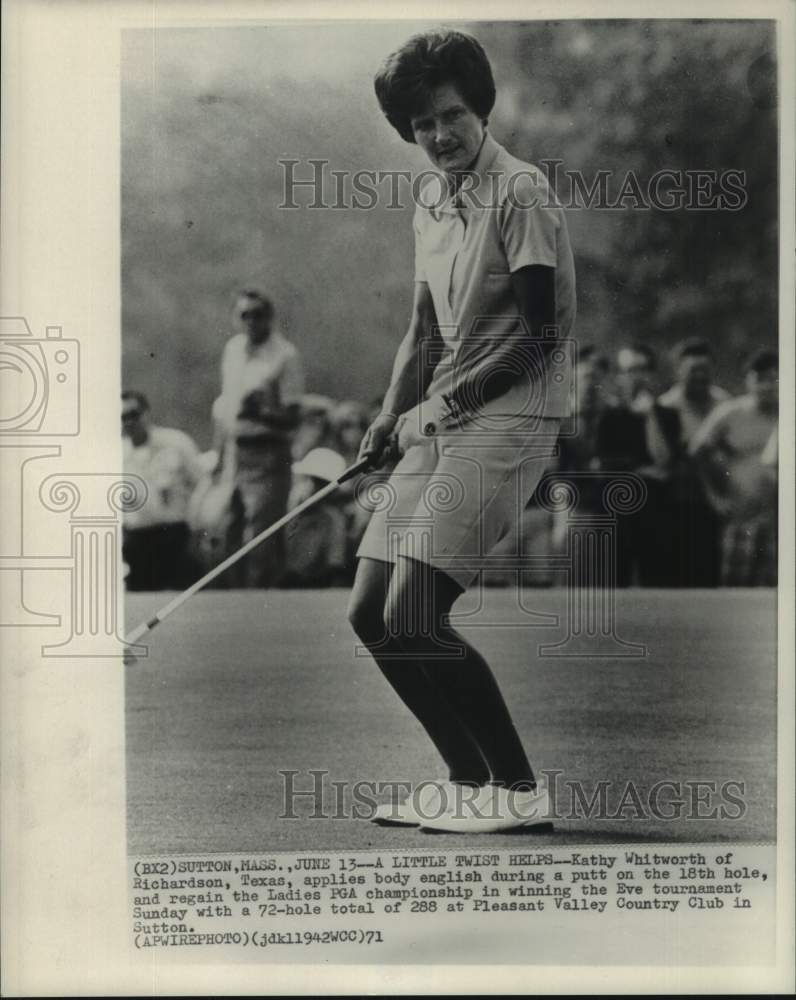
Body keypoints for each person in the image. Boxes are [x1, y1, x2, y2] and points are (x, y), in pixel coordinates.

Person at [347, 30, 576, 833]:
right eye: (420, 125)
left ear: (479, 106)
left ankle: (517, 792)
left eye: (450, 115)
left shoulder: (521, 192)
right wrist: (387, 415)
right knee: (371, 613)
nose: (439, 136)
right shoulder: (431, 199)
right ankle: (467, 780)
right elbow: (424, 331)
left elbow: (540, 335)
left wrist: (437, 408)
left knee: (416, 615)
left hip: (510, 415)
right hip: (440, 412)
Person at [212, 290, 304, 587]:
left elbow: (292, 415)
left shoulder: (284, 355)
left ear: (270, 318)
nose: (251, 321)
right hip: (234, 451)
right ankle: (234, 608)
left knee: (262, 535)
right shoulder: (233, 349)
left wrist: (262, 411)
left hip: (268, 452)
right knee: (228, 527)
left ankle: (263, 605)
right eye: (244, 315)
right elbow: (227, 408)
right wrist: (218, 454)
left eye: (258, 314)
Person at [690, 348, 778, 586]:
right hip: (740, 516)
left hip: (779, 519)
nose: (768, 386)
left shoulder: (788, 414)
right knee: (734, 589)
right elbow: (698, 452)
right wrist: (714, 496)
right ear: (748, 380)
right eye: (760, 379)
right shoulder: (730, 413)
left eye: (774, 379)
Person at [596, 343, 682, 586]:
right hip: (618, 508)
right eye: (629, 370)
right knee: (615, 579)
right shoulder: (610, 416)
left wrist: (650, 418)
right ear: (619, 377)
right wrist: (643, 470)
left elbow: (664, 460)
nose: (637, 377)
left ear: (652, 374)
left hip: (657, 509)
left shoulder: (667, 415)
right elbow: (605, 464)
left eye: (642, 369)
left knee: (656, 577)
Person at [658, 338, 729, 586]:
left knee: (710, 575)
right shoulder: (666, 406)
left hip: (716, 502)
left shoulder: (723, 404)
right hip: (675, 501)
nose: (699, 376)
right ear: (678, 371)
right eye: (692, 370)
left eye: (704, 370)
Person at [121, 390, 203, 590]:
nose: (129, 422)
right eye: (123, 417)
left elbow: (201, 482)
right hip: (137, 539)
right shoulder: (117, 453)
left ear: (147, 412)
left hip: (174, 535)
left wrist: (197, 526)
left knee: (179, 598)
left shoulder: (176, 442)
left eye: (134, 414)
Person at [283, 447, 349, 587]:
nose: (315, 489)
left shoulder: (332, 521)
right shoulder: (281, 509)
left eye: (324, 485)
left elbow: (335, 566)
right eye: (314, 481)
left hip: (309, 585)